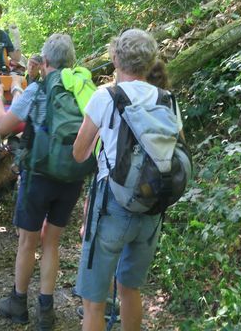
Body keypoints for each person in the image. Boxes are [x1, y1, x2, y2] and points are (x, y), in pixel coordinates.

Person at [72, 29, 183, 331]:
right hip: (151, 206)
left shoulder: (105, 96)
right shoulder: (167, 99)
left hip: (111, 207)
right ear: (150, 62)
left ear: (116, 58)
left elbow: (79, 153)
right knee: (129, 289)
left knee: (93, 302)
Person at [0, 34, 85, 331]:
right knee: (52, 242)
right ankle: (46, 311)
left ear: (44, 63)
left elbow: (4, 128)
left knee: (27, 241)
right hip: (71, 177)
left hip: (38, 178)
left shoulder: (37, 91)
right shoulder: (82, 90)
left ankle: (18, 303)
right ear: (71, 63)